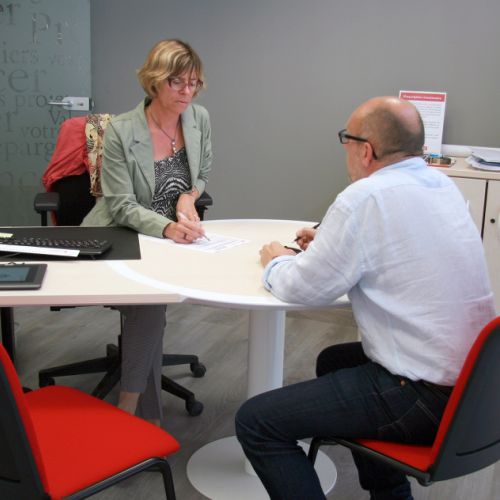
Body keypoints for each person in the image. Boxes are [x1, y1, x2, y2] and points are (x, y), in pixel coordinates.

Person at [235, 96, 495, 499]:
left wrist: (276, 260)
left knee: (257, 422)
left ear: (366, 150)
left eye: (347, 139)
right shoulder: (442, 185)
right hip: (477, 387)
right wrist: (333, 243)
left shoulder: (364, 197)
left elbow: (302, 288)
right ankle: (390, 494)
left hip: (423, 396)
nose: (345, 149)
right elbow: (405, 245)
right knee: (334, 361)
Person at [82, 39, 213, 425]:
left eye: (193, 83)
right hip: (120, 234)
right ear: (155, 80)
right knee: (150, 305)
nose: (187, 92)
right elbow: (120, 204)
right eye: (177, 82)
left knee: (152, 308)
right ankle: (135, 414)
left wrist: (189, 196)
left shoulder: (198, 118)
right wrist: (168, 226)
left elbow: (203, 171)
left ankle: (137, 417)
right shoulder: (121, 130)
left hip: (168, 241)